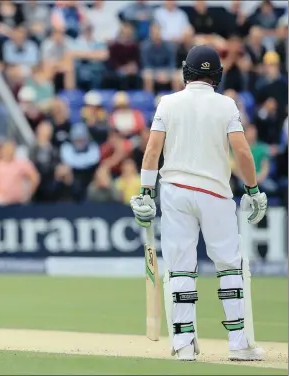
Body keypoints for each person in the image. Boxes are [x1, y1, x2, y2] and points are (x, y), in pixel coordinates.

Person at [129, 45, 267, 362]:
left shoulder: (168, 103)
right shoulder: (226, 105)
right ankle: (239, 344)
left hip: (175, 191)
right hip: (216, 193)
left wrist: (146, 192)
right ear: (217, 74)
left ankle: (183, 345)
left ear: (185, 72)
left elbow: (151, 153)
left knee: (180, 266)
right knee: (230, 265)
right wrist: (253, 190)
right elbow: (243, 153)